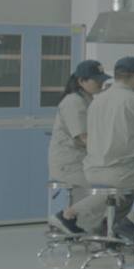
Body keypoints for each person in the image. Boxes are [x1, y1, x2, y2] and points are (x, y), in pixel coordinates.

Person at [75, 56, 134, 243]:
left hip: (93, 169)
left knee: (131, 189)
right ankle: (129, 222)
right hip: (121, 172)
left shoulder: (97, 100)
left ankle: (109, 227)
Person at [48, 60, 108, 234]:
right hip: (69, 165)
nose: (101, 83)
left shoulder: (86, 99)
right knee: (112, 189)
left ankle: (100, 228)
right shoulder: (73, 102)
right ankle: (67, 216)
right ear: (81, 81)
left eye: (102, 80)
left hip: (80, 162)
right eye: (97, 80)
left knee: (116, 186)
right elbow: (83, 138)